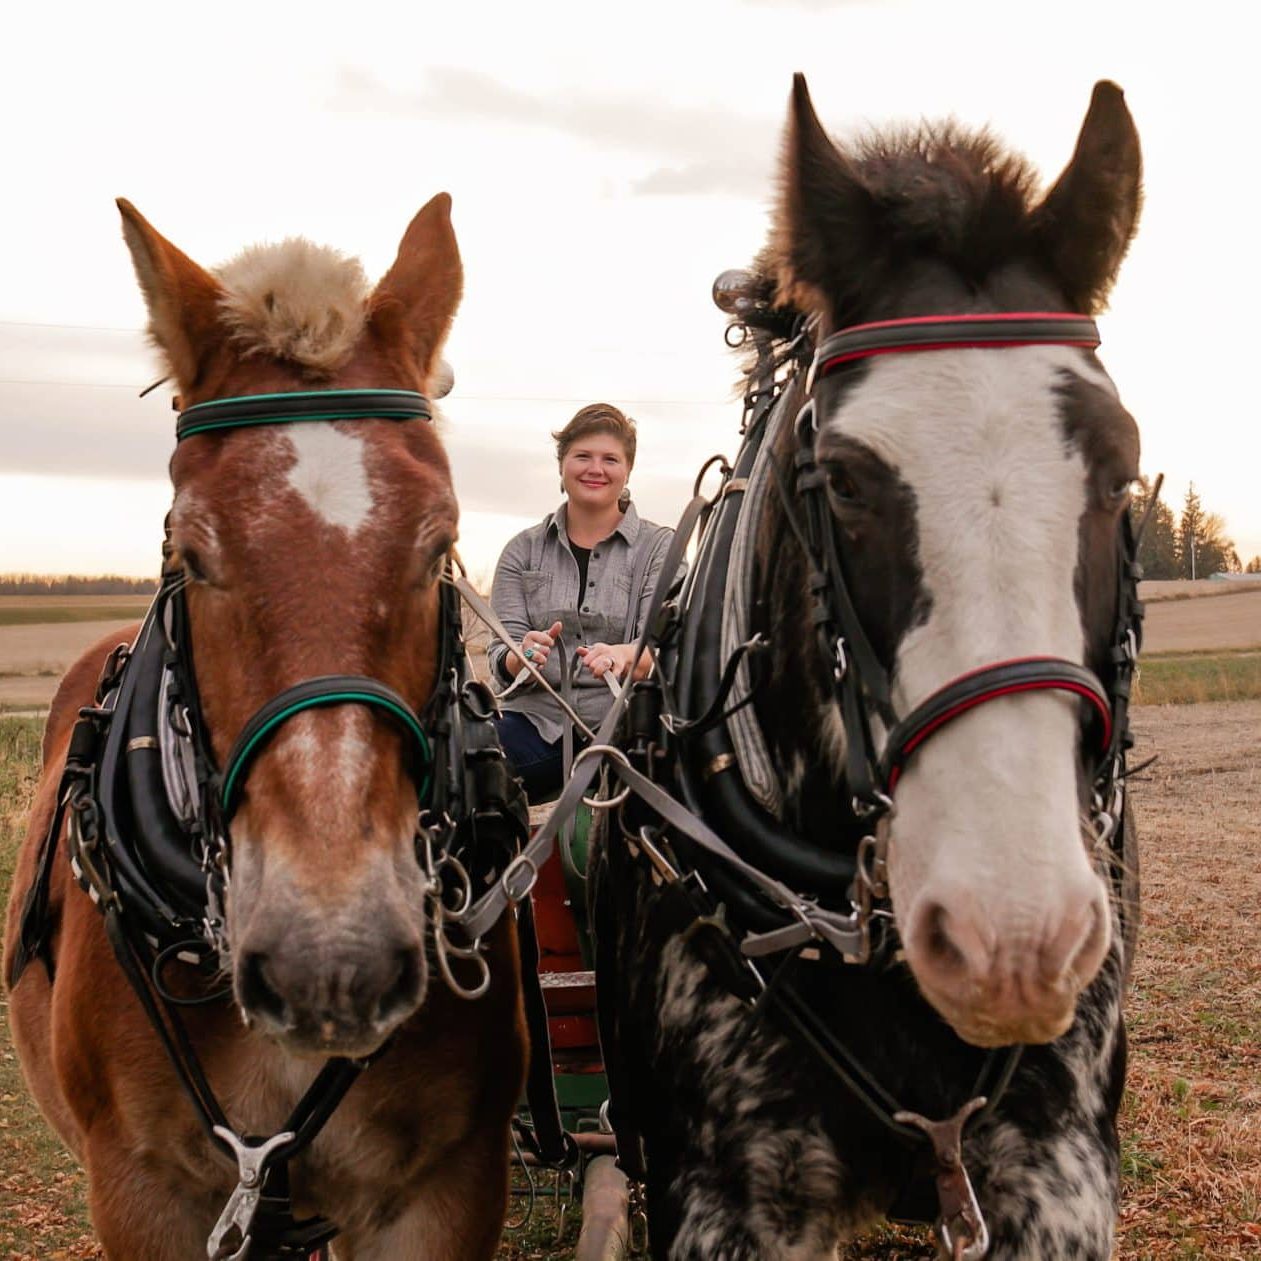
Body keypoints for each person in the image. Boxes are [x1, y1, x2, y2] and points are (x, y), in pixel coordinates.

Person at [486, 403, 674, 801]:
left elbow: (666, 649)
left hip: (630, 726)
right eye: (582, 456)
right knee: (471, 770)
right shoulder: (522, 551)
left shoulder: (660, 548)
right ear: (561, 465)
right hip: (538, 721)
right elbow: (501, 649)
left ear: (627, 471)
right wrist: (520, 656)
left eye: (610, 459)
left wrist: (625, 655)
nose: (596, 469)